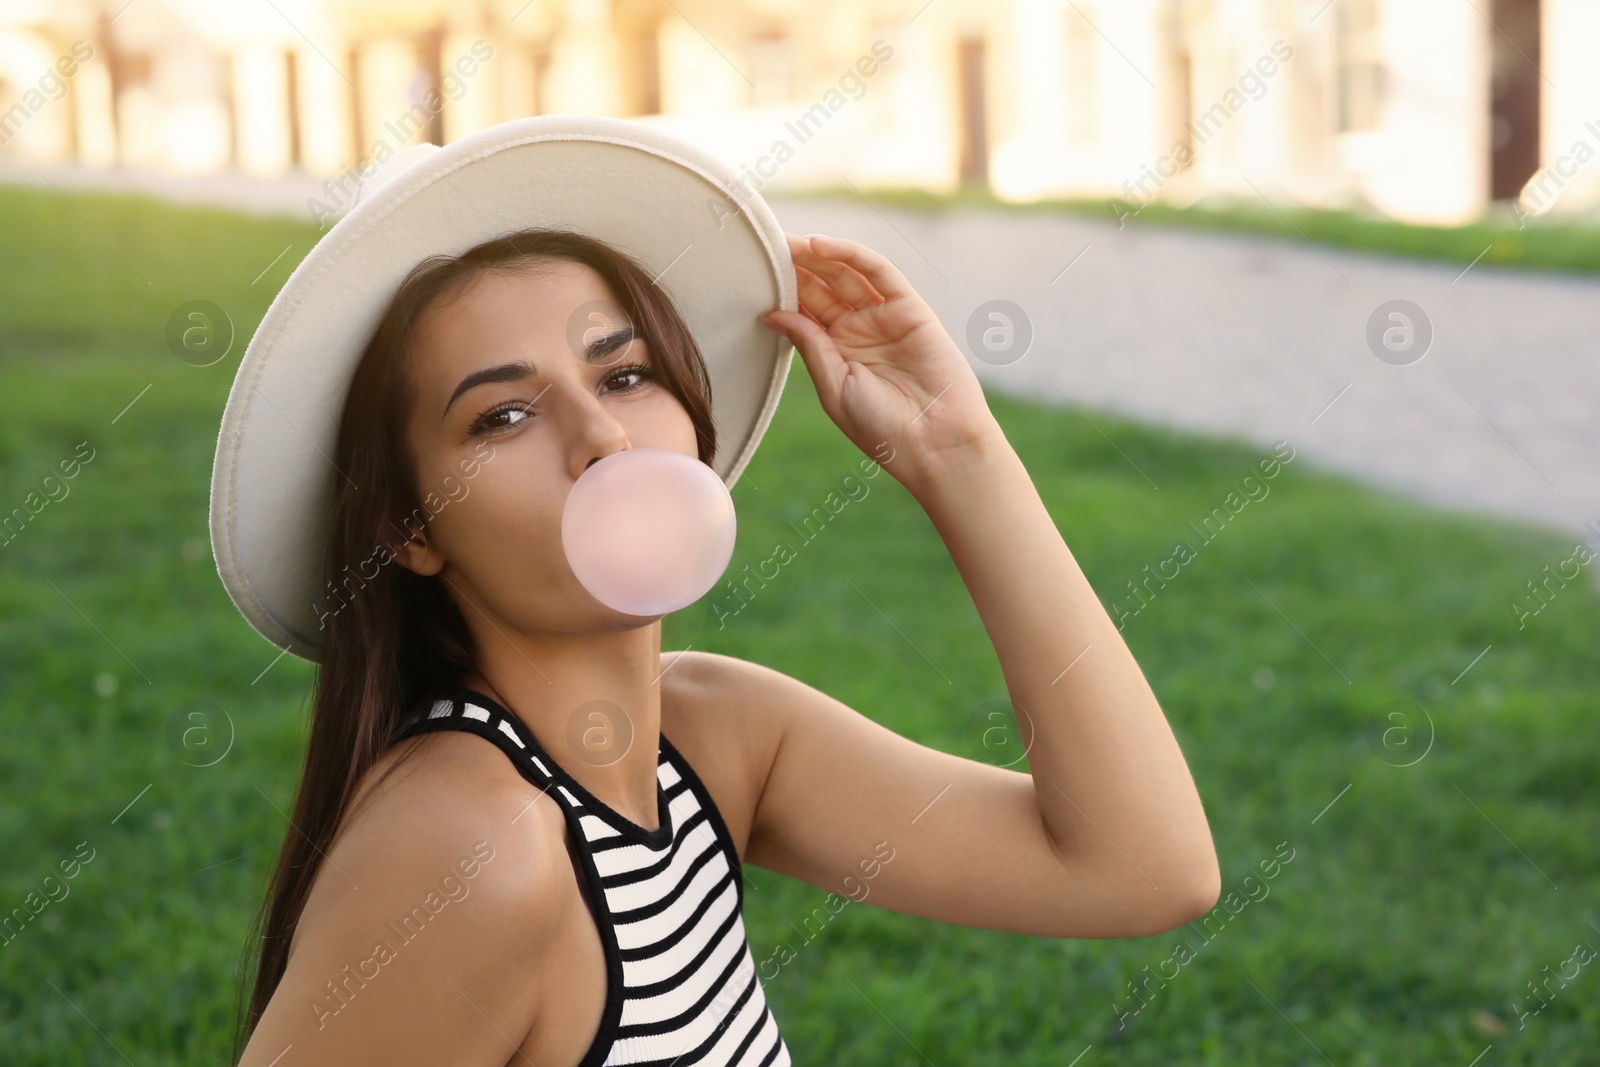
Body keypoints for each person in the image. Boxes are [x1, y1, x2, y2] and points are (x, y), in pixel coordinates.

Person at [218, 119, 1218, 1067]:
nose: (602, 438)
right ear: (411, 528)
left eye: (622, 374)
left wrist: (957, 454)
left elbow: (1142, 867)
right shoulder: (473, 847)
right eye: (505, 413)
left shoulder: (714, 736)